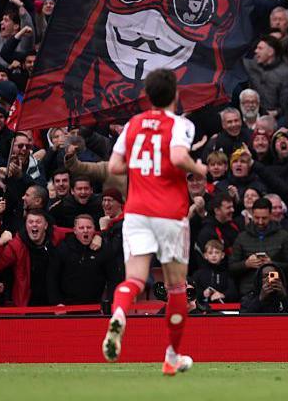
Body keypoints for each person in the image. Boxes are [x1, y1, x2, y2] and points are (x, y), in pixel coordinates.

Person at [102, 69, 207, 376]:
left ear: (147, 95)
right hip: (170, 214)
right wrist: (196, 166)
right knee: (176, 287)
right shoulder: (180, 124)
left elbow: (114, 166)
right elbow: (176, 158)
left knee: (134, 279)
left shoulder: (134, 124)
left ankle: (120, 313)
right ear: (174, 94)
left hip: (136, 211)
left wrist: (142, 170)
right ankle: (172, 356)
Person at [228, 198, 288, 295]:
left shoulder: (284, 236)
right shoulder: (242, 237)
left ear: (271, 215)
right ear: (252, 215)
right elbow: (231, 267)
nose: (260, 222)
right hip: (248, 292)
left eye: (264, 218)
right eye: (256, 217)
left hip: (275, 290)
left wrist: (271, 264)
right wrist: (246, 264)